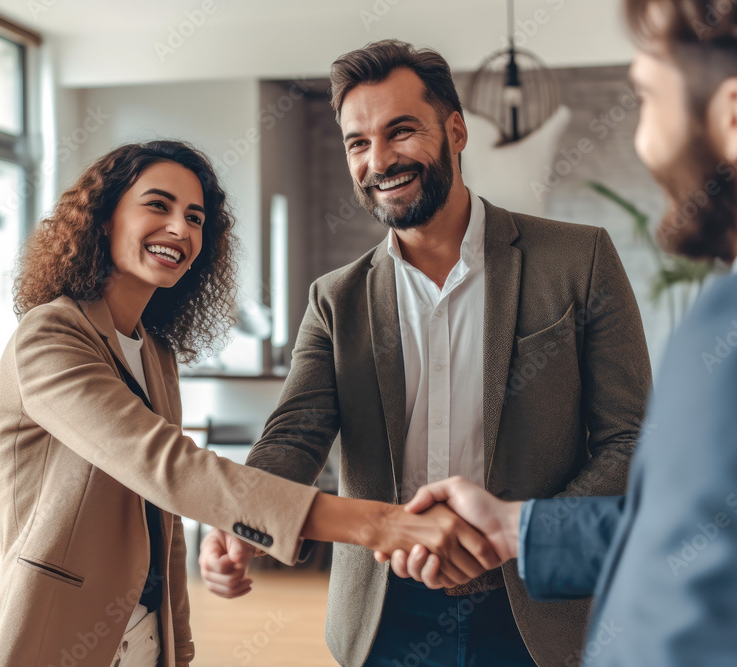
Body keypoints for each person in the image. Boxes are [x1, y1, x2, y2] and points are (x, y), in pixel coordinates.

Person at [200, 41, 653, 666]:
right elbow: (294, 437)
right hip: (386, 614)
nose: (379, 159)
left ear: (456, 130)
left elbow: (630, 441)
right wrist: (243, 516)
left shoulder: (580, 260)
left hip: (541, 611)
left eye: (401, 131)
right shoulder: (335, 299)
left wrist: (517, 533)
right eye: (358, 142)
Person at [388, 1, 737, 664]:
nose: (644, 141)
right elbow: (705, 529)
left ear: (736, 118)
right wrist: (514, 526)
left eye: (645, 97)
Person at [0, 140, 495, 667]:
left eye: (195, 217)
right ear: (104, 218)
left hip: (146, 637)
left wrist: (178, 644)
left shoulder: (153, 352)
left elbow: (165, 517)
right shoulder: (49, 336)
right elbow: (169, 469)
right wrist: (385, 524)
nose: (180, 228)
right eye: (158, 205)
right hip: (61, 633)